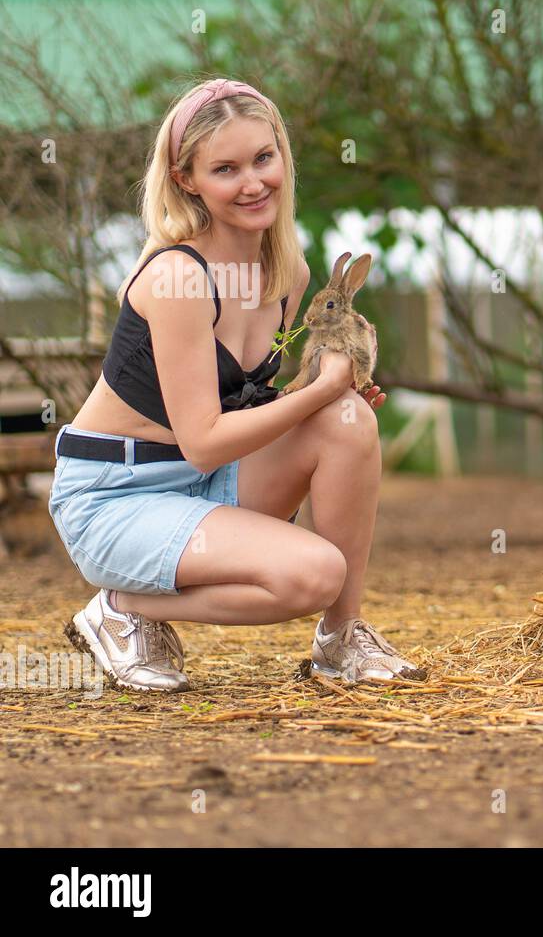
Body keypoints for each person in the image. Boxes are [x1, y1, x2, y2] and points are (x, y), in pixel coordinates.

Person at [46, 77, 422, 692]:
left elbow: (248, 403)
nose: (253, 183)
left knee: (350, 422)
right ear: (187, 178)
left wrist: (328, 401)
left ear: (282, 158)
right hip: (117, 497)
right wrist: (316, 394)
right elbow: (204, 440)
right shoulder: (178, 277)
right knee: (313, 573)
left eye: (263, 159)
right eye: (226, 168)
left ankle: (342, 642)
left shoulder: (289, 273)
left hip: (203, 484)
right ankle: (121, 609)